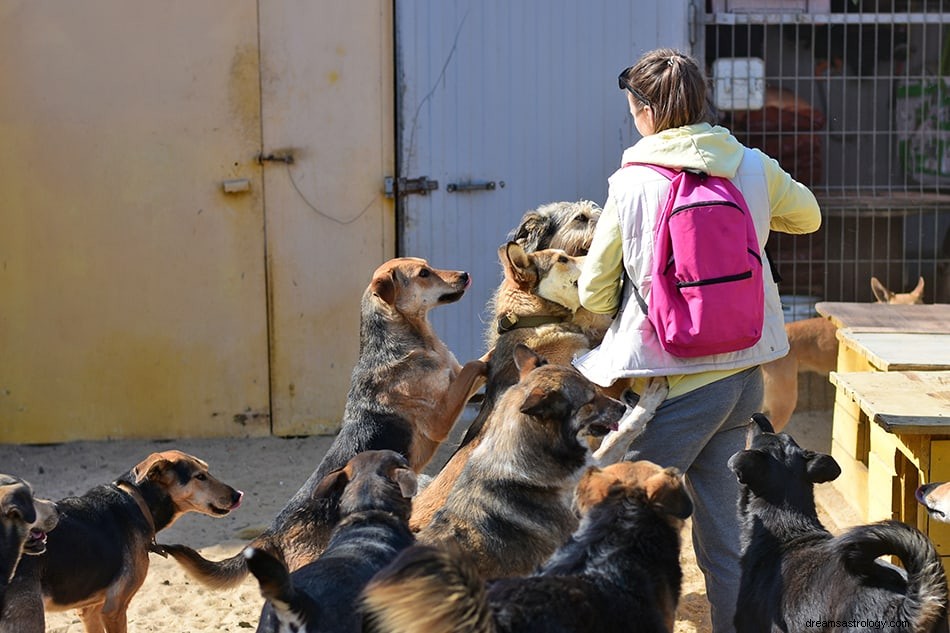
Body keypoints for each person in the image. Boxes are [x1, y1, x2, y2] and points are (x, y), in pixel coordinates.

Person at [573, 48, 821, 633]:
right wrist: (757, 223)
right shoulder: (751, 166)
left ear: (646, 111)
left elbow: (592, 293)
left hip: (674, 383)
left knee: (617, 517)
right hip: (741, 378)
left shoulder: (631, 184)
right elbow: (808, 215)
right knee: (727, 536)